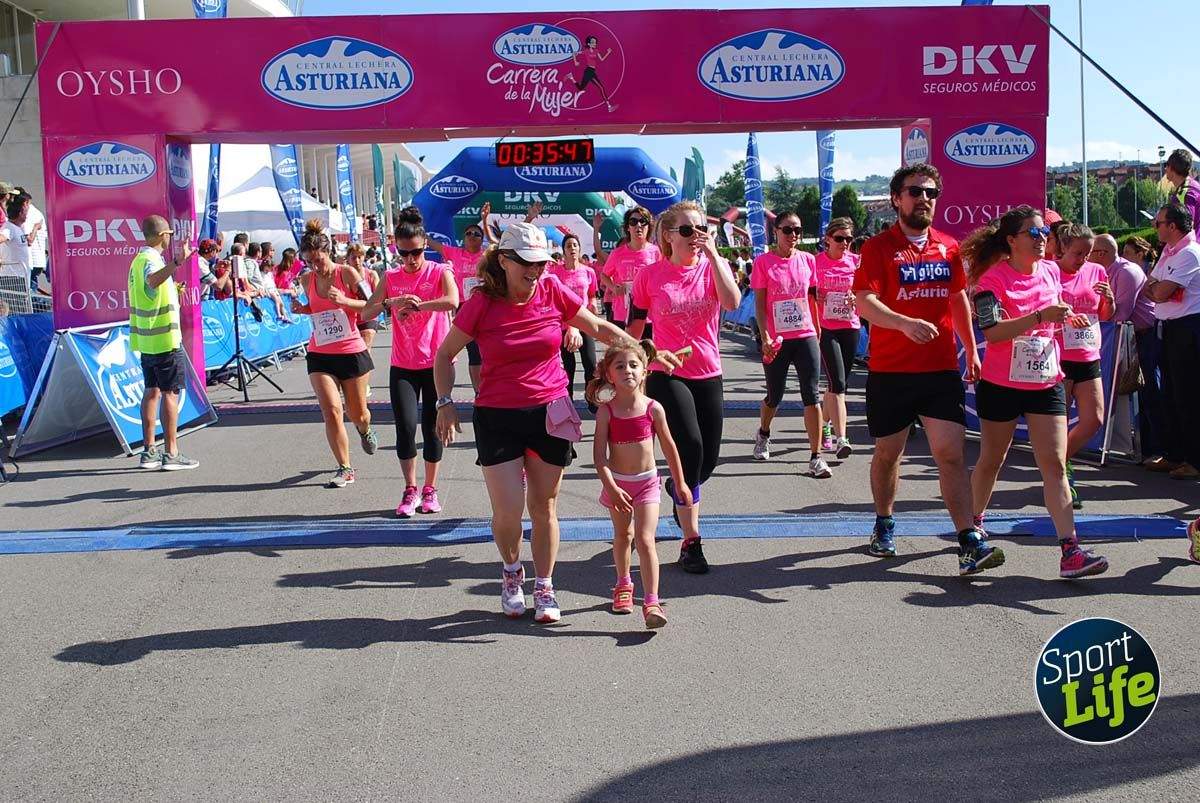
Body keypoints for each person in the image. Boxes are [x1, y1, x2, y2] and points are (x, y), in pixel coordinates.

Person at [433, 222, 683, 623]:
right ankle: (513, 573)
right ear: (504, 260)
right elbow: (444, 355)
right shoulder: (481, 303)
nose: (535, 270)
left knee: (544, 506)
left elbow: (598, 327)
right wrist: (445, 402)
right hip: (497, 415)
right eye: (527, 263)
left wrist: (647, 352)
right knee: (508, 512)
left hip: (549, 410)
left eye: (540, 262)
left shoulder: (551, 290)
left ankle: (545, 585)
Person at [851, 164, 1000, 574]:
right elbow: (863, 300)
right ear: (896, 199)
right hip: (891, 371)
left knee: (950, 454)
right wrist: (903, 322)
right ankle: (884, 522)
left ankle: (968, 538)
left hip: (938, 371)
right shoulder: (878, 247)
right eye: (915, 191)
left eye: (931, 192)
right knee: (888, 453)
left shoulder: (949, 247)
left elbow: (958, 301)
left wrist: (971, 349)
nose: (924, 199)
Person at [963, 207, 1108, 578]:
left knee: (1055, 465)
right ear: (1012, 240)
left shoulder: (1051, 271)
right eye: (1034, 233)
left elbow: (1054, 315)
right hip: (1002, 385)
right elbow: (992, 332)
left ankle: (1070, 551)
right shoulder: (992, 280)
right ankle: (973, 528)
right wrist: (1041, 318)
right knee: (992, 460)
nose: (1043, 239)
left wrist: (1064, 321)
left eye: (1045, 233)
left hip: (1046, 382)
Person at [629, 201, 742, 574]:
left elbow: (732, 301)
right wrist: (631, 367)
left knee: (706, 462)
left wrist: (713, 252)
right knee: (689, 447)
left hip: (708, 371)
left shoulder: (711, 269)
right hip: (667, 372)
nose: (695, 236)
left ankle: (680, 490)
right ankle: (691, 542)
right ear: (668, 236)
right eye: (687, 231)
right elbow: (636, 326)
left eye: (699, 229)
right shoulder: (650, 275)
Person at [362, 207, 459, 516]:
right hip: (403, 364)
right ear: (397, 252)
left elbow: (453, 301)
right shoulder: (390, 277)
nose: (410, 260)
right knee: (405, 428)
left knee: (432, 429)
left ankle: (430, 490)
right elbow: (366, 312)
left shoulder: (439, 270)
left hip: (435, 363)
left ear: (424, 247)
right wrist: (390, 302)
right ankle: (410, 490)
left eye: (416, 252)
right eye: (404, 254)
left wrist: (419, 306)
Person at [588, 341, 690, 629]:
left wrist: (680, 482)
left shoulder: (653, 409)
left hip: (647, 484)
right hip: (618, 485)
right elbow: (599, 457)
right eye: (620, 366)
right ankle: (623, 585)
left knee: (645, 539)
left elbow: (669, 448)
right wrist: (611, 486)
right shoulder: (606, 412)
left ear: (645, 371)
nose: (627, 371)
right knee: (623, 536)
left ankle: (652, 601)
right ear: (609, 375)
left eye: (633, 365)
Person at [290, 219, 379, 489]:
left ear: (328, 252)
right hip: (320, 353)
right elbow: (316, 308)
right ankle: (345, 467)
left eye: (318, 259)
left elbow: (372, 305)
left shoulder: (348, 274)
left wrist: (344, 301)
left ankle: (365, 429)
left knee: (358, 413)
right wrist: (301, 309)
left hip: (351, 351)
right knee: (331, 410)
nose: (316, 266)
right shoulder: (307, 279)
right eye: (310, 261)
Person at [749, 211, 831, 478]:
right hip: (776, 338)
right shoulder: (764, 263)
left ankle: (816, 457)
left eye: (797, 230)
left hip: (805, 334)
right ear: (776, 232)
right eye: (787, 230)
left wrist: (817, 331)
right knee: (775, 395)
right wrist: (764, 337)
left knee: (812, 395)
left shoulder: (808, 260)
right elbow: (760, 305)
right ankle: (763, 433)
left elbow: (811, 299)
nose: (793, 235)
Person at [128, 215, 199, 471]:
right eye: (168, 233)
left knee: (152, 391)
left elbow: (150, 290)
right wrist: (179, 261)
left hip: (147, 339)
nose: (170, 237)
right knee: (170, 393)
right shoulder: (150, 260)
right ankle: (171, 452)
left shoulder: (138, 260)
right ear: (162, 235)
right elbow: (152, 280)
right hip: (165, 339)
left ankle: (149, 451)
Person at [1052, 223, 1114, 509]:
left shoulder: (1097, 272)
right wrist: (1066, 317)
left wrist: (1109, 300)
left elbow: (1105, 313)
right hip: (1059, 355)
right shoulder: (1049, 272)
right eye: (1078, 253)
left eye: (1087, 253)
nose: (1083, 259)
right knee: (1058, 423)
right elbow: (1041, 312)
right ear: (1063, 248)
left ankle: (1061, 461)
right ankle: (1062, 476)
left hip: (1088, 354)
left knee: (1094, 420)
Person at [1144, 204, 1200, 480]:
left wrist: (1158, 289)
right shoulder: (1168, 252)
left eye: (1159, 223)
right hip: (1166, 327)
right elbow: (1149, 287)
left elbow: (1161, 291)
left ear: (1173, 226)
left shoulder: (1190, 253)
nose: (1156, 228)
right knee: (1168, 393)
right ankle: (1175, 453)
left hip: (1187, 329)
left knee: (1187, 395)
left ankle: (1195, 459)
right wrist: (1158, 289)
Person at [429, 202, 491, 391]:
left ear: (482, 239)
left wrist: (485, 222)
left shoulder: (486, 254)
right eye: (469, 234)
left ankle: (489, 387)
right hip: (464, 307)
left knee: (485, 350)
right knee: (473, 352)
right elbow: (431, 243)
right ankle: (478, 392)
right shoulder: (454, 253)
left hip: (485, 306)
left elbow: (498, 244)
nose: (472, 236)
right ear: (463, 238)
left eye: (477, 234)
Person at [814, 216, 861, 457]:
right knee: (838, 384)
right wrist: (816, 298)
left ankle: (824, 426)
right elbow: (805, 292)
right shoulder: (816, 263)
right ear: (828, 239)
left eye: (849, 239)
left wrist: (856, 298)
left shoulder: (856, 262)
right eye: (840, 239)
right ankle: (842, 438)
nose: (845, 243)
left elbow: (865, 292)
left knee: (836, 385)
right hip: (826, 328)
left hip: (850, 326)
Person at [547, 233, 601, 401]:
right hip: (564, 324)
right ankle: (566, 399)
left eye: (575, 245)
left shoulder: (589, 272)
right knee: (568, 366)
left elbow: (592, 293)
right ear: (563, 250)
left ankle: (591, 398)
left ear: (579, 249)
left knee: (590, 363)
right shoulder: (556, 273)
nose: (572, 249)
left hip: (584, 322)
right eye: (569, 246)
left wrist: (593, 303)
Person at [594, 206, 660, 331]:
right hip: (623, 313)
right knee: (626, 350)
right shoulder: (617, 253)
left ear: (648, 227)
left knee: (648, 351)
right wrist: (613, 287)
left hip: (649, 315)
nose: (638, 226)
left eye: (643, 221)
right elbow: (604, 275)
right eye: (633, 222)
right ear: (628, 228)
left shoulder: (656, 252)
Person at [0, 193, 35, 313]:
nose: (27, 215)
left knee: (19, 312)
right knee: (18, 313)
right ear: (20, 213)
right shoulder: (8, 228)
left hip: (21, 277)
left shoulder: (19, 228)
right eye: (26, 212)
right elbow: (2, 237)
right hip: (12, 279)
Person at [566, 35, 616, 112]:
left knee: (581, 88)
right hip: (589, 71)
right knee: (601, 87)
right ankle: (609, 106)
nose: (594, 44)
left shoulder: (596, 51)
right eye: (593, 42)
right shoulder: (586, 51)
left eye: (595, 42)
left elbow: (602, 59)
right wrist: (575, 61)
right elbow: (574, 53)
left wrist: (608, 53)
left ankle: (571, 77)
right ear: (589, 44)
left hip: (591, 71)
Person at [1163, 148, 1200, 236]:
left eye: (1166, 165)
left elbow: (1186, 227)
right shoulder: (1194, 186)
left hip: (1192, 246)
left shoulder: (1184, 194)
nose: (1165, 169)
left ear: (1172, 168)